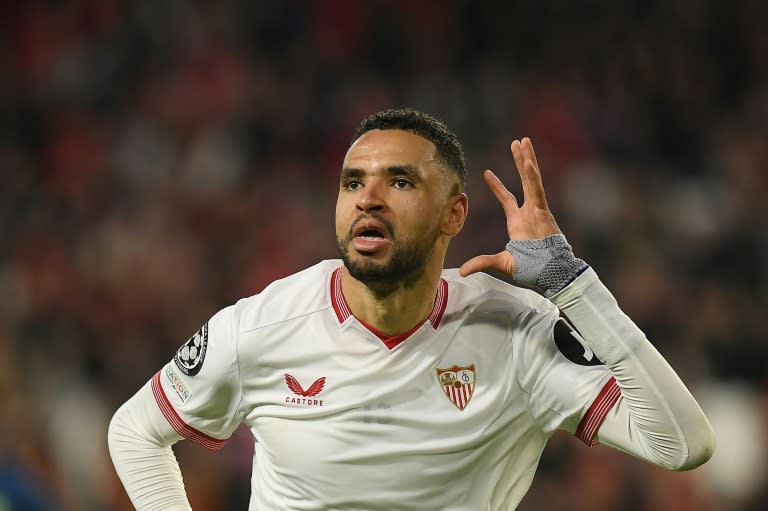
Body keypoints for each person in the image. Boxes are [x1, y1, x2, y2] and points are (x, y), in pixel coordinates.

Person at [108, 108, 715, 510]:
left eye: (399, 182)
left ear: (455, 212)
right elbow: (135, 432)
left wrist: (570, 285)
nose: (368, 198)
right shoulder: (263, 325)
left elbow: (681, 445)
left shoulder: (515, 332)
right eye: (352, 182)